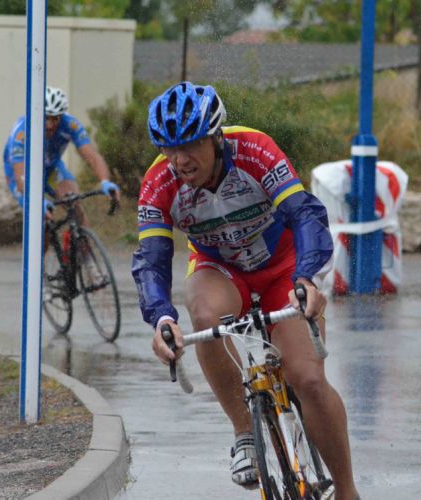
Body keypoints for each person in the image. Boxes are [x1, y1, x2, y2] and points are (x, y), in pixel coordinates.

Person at [132, 81, 360, 499]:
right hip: (221, 270)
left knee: (308, 380)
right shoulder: (158, 183)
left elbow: (304, 215)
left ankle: (347, 491)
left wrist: (306, 278)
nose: (180, 160)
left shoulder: (255, 150)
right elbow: (151, 259)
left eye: (191, 145)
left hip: (283, 267)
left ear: (216, 137)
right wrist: (161, 317)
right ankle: (245, 435)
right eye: (169, 149)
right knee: (204, 315)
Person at [3, 86, 120, 221]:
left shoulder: (70, 124)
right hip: (22, 174)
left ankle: (80, 234)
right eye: (46, 118)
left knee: (73, 204)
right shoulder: (22, 132)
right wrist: (36, 201)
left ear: (61, 116)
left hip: (50, 168)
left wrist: (105, 181)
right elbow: (20, 176)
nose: (49, 125)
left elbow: (92, 156)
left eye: (55, 119)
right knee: (39, 217)